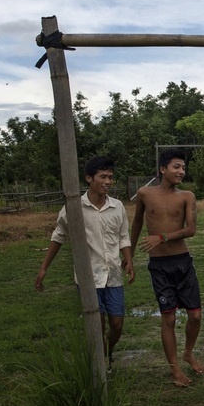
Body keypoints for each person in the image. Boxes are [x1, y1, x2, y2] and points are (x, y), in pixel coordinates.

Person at [35, 155, 135, 370]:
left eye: (110, 178)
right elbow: (59, 235)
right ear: (89, 178)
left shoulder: (117, 207)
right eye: (103, 177)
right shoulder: (75, 207)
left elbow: (123, 237)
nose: (108, 182)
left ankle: (104, 356)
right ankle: (99, 366)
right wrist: (44, 268)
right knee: (96, 323)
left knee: (116, 324)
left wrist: (128, 260)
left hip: (113, 275)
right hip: (88, 275)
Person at [131, 148, 204, 387]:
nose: (181, 171)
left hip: (182, 261)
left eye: (183, 167)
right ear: (163, 169)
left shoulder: (187, 196)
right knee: (169, 318)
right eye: (176, 167)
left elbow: (190, 230)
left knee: (195, 315)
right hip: (159, 265)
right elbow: (137, 223)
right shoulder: (144, 193)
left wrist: (161, 237)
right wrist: (129, 255)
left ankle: (188, 352)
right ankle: (175, 370)